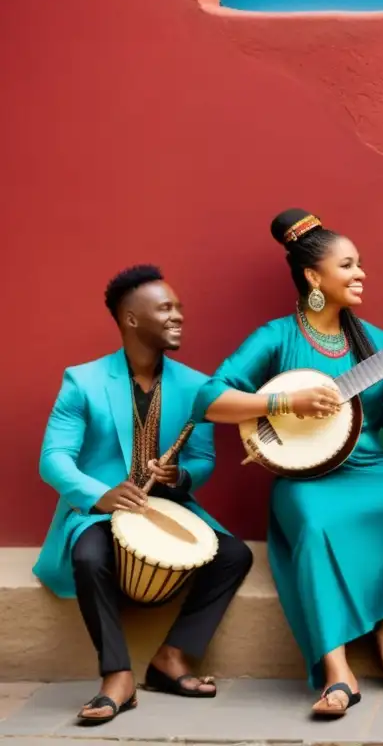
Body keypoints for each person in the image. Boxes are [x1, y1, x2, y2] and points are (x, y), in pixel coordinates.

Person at [191, 208, 383, 717]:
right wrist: (282, 404)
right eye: (348, 266)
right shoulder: (275, 338)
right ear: (314, 277)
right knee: (314, 527)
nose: (361, 275)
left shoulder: (376, 342)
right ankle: (336, 671)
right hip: (305, 477)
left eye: (361, 265)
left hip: (372, 467)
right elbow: (208, 399)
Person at [33, 265, 254, 726]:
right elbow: (53, 459)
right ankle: (117, 676)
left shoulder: (197, 386)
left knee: (235, 554)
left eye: (179, 308)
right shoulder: (83, 381)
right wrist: (101, 495)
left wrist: (180, 476)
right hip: (97, 512)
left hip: (167, 508)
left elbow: (203, 459)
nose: (178, 317)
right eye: (165, 309)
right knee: (91, 558)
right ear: (131, 319)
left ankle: (172, 658)